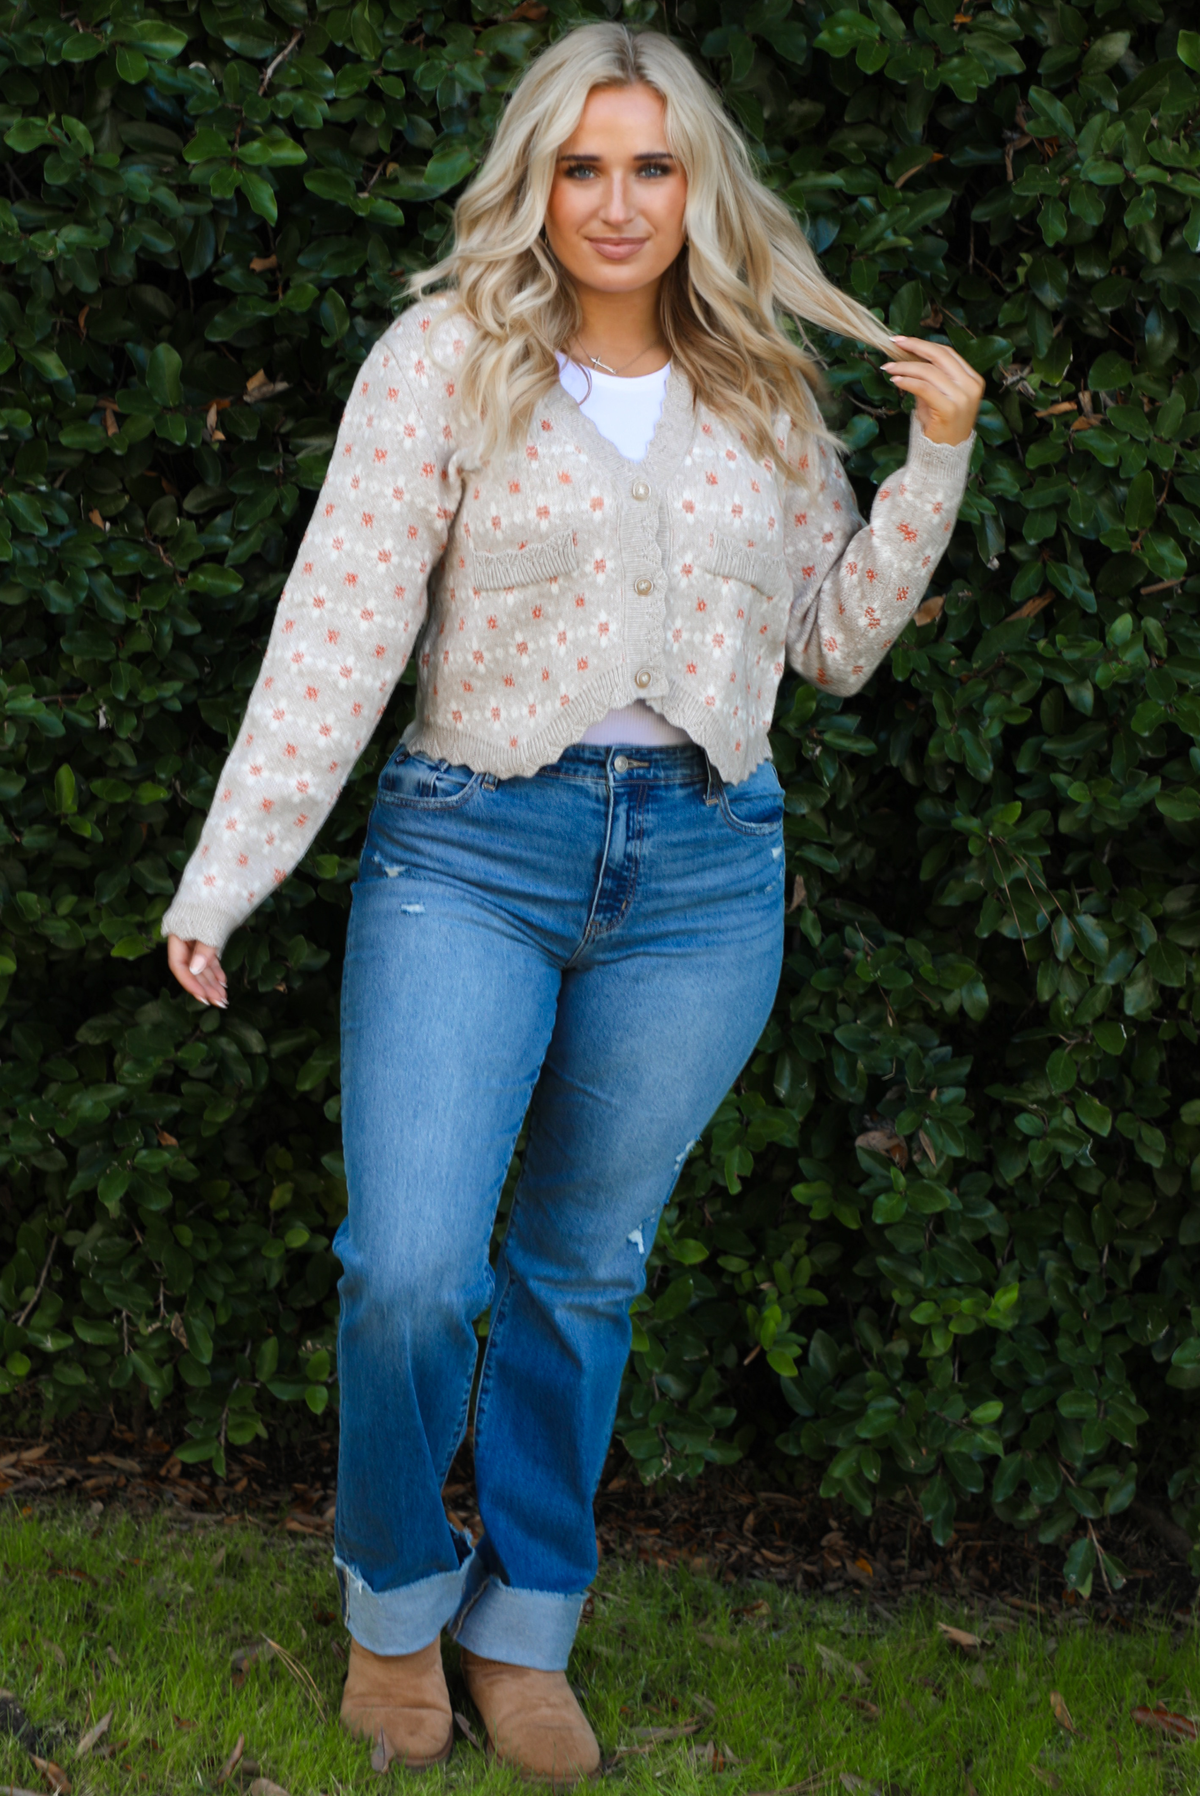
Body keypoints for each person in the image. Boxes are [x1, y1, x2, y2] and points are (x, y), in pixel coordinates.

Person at [162, 20, 984, 1785]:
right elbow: (339, 633)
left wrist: (935, 468)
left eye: (655, 166)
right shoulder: (443, 363)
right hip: (474, 849)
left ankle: (521, 1627)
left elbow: (831, 653)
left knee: (580, 1275)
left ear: (703, 187)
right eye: (585, 165)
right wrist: (227, 878)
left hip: (704, 874)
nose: (618, 202)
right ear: (536, 182)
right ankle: (395, 1605)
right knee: (407, 1271)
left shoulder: (768, 390)